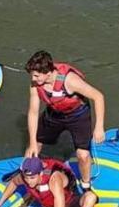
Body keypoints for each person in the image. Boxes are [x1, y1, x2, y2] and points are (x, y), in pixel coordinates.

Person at [24, 50, 106, 190]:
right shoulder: (35, 84)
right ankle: (27, 174)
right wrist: (32, 142)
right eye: (32, 75)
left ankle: (86, 184)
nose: (34, 79)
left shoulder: (70, 80)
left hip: (77, 115)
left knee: (83, 155)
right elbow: (33, 112)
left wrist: (99, 127)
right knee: (34, 146)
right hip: (54, 113)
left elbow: (98, 97)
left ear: (48, 72)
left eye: (37, 75)